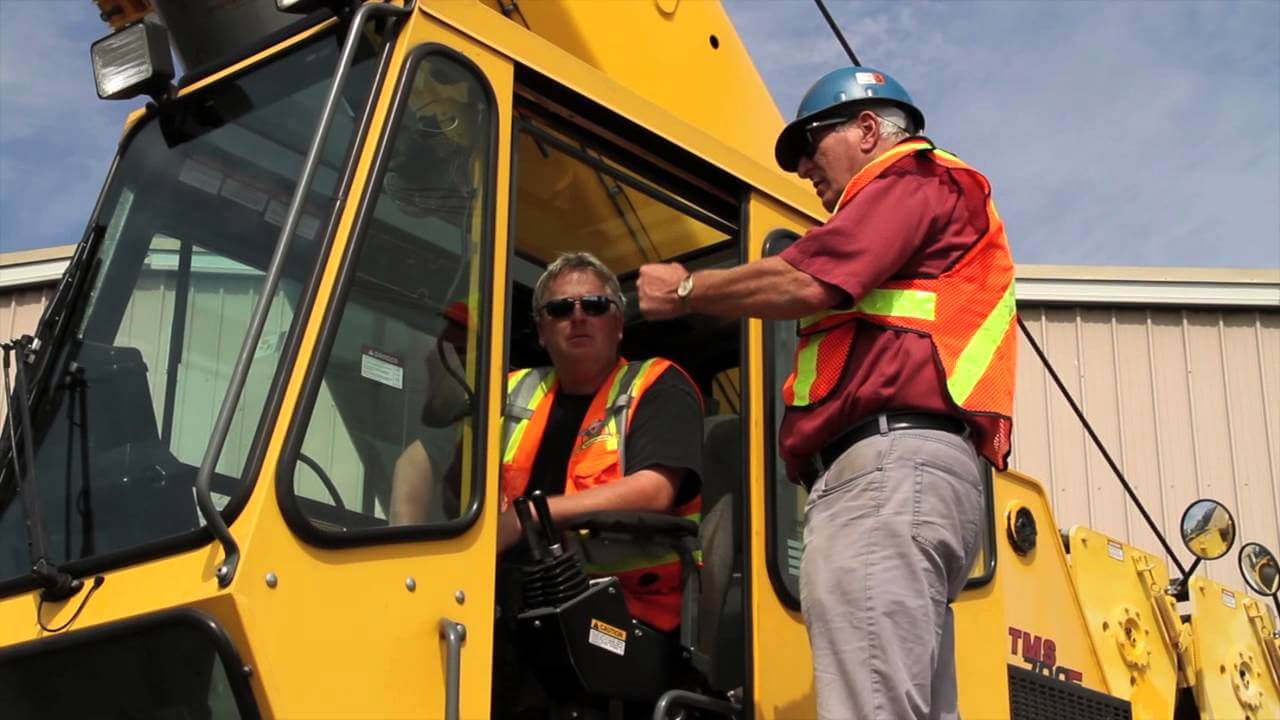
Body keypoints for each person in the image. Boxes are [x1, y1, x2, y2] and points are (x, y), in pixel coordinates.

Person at [637, 67, 1016, 720]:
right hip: (915, 473)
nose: (804, 168)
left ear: (868, 129)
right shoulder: (934, 205)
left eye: (812, 144)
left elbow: (809, 279)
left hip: (887, 472)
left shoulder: (911, 178)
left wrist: (687, 290)